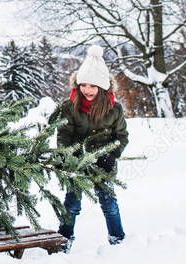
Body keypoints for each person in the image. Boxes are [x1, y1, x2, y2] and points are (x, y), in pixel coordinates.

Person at [53, 45, 129, 251]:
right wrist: (65, 154)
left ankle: (117, 238)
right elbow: (64, 133)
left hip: (103, 163)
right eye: (83, 85)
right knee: (71, 203)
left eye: (93, 86)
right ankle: (64, 238)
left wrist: (112, 155)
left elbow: (121, 136)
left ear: (103, 88)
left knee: (108, 202)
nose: (87, 90)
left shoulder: (115, 109)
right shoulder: (70, 106)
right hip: (77, 162)